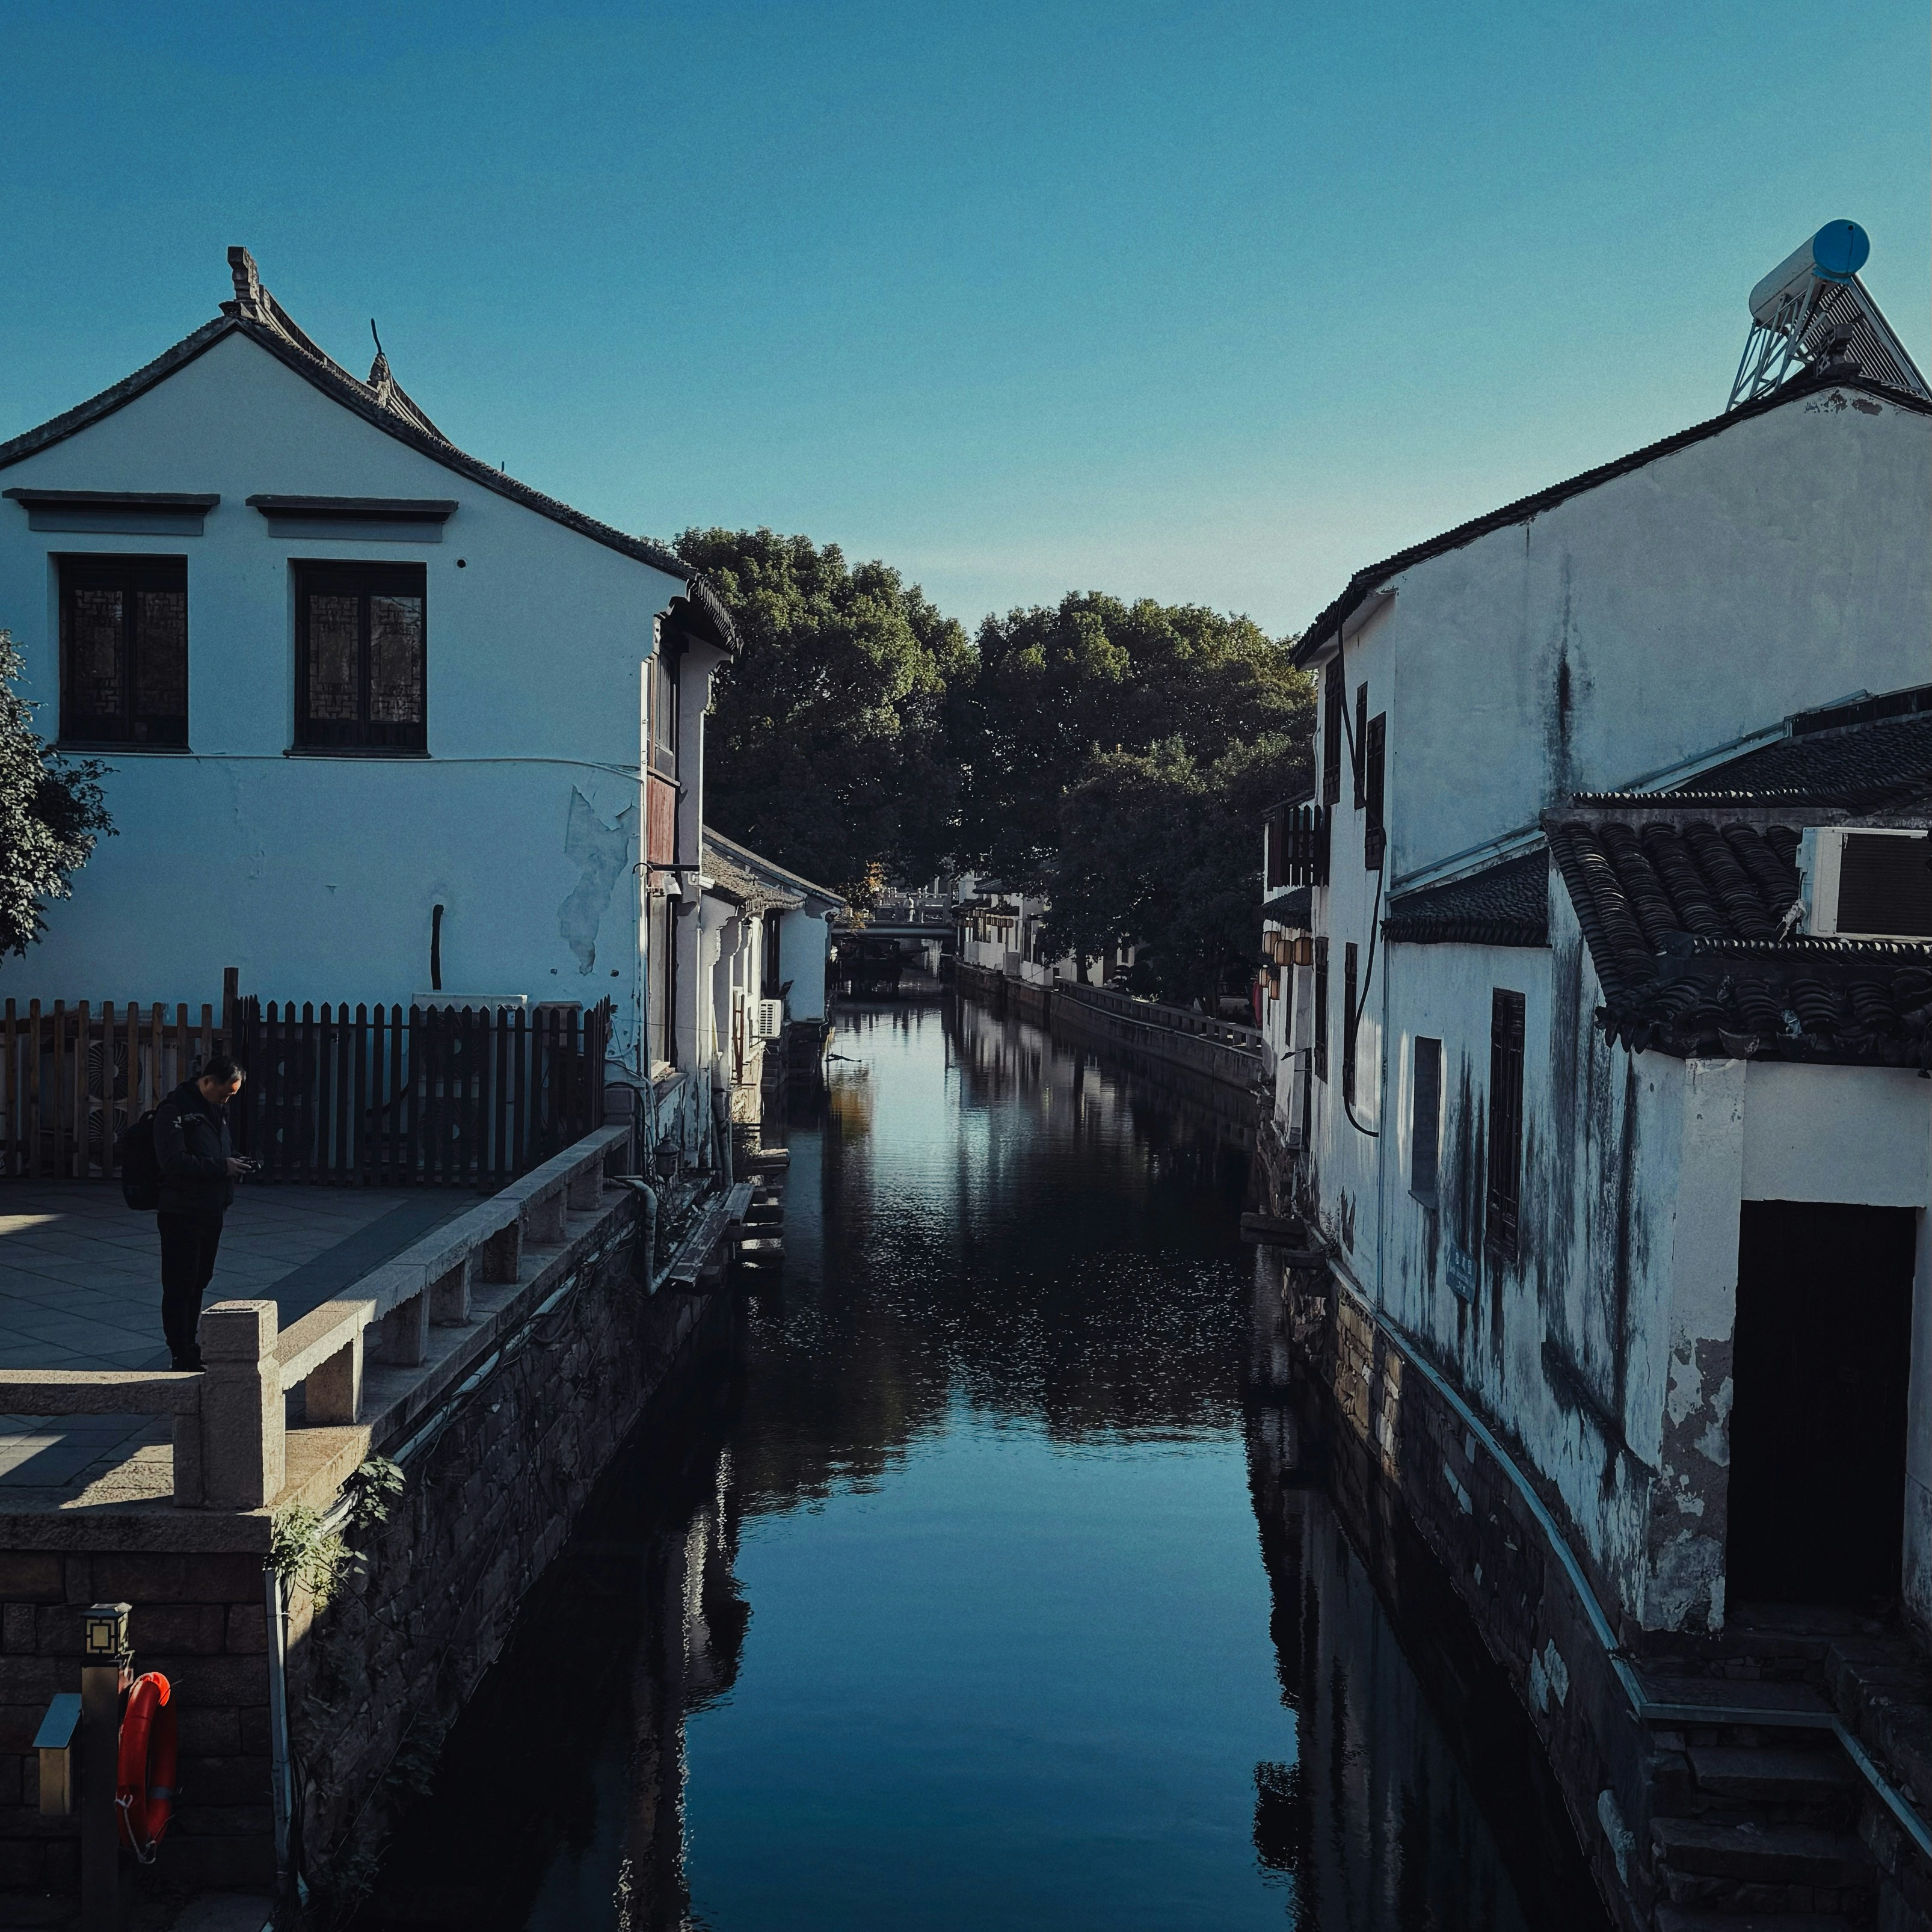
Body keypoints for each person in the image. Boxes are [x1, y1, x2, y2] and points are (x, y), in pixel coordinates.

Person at [153, 1056, 248, 1370]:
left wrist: (235, 1161)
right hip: (181, 1211)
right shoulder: (174, 1110)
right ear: (208, 1081)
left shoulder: (215, 1111)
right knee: (180, 1283)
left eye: (233, 1095)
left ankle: (191, 1343)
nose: (227, 1099)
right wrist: (222, 1167)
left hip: (211, 1210)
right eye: (226, 1092)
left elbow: (219, 1151)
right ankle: (179, 1351)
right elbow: (174, 1163)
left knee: (199, 1281)